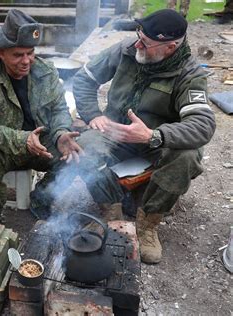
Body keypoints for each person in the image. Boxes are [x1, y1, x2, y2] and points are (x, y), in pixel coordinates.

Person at [72, 9, 216, 264]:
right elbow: (84, 79)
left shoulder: (189, 74)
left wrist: (154, 135)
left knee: (187, 156)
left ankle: (148, 223)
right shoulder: (127, 49)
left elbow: (203, 124)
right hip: (116, 134)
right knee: (84, 145)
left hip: (155, 143)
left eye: (146, 43)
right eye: (138, 36)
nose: (137, 44)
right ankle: (110, 212)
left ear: (170, 47)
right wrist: (93, 114)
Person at [0, 9, 82, 224]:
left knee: (76, 152)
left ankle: (41, 198)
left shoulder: (46, 71)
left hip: (42, 145)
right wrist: (22, 140)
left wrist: (60, 133)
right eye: (18, 55)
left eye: (30, 52)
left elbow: (59, 109)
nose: (27, 60)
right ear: (1, 53)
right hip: (5, 148)